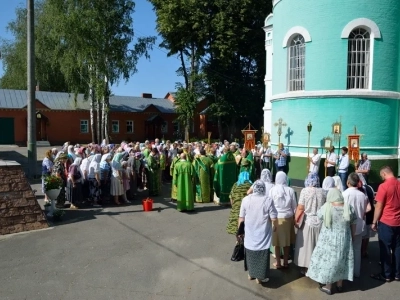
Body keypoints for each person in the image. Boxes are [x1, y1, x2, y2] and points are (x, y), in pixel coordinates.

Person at [306, 188, 357, 295]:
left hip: (328, 239)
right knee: (342, 260)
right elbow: (353, 223)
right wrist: (352, 236)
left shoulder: (327, 207)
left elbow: (319, 217)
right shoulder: (349, 208)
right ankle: (340, 284)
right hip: (344, 238)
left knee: (329, 261)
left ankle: (328, 286)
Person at [238, 180, 278, 284]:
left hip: (250, 233)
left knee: (251, 252)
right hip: (263, 233)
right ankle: (260, 277)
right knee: (262, 254)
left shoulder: (246, 200)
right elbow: (274, 217)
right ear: (264, 189)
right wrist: (275, 227)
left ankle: (251, 274)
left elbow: (241, 218)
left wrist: (239, 232)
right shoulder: (268, 200)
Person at [371, 166, 400, 282]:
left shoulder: (384, 186)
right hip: (398, 222)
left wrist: (374, 222)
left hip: (386, 221)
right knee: (398, 248)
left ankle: (386, 274)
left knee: (385, 248)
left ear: (384, 174)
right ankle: (397, 273)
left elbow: (378, 206)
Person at [294, 172, 326, 274]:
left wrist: (295, 220)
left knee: (307, 247)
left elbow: (300, 207)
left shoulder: (304, 191)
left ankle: (306, 268)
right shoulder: (323, 191)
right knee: (317, 246)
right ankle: (316, 267)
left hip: (307, 221)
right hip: (320, 222)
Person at [342, 172, 370, 278]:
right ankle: (356, 272)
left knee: (346, 250)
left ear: (348, 182)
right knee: (357, 250)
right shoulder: (362, 195)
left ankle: (346, 273)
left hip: (347, 226)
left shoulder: (344, 194)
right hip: (359, 226)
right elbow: (365, 210)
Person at [269, 171, 297, 268]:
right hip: (288, 218)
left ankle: (278, 263)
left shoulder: (272, 190)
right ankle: (285, 262)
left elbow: (269, 205)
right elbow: (294, 207)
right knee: (287, 242)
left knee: (276, 243)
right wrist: (294, 219)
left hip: (276, 219)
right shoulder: (290, 190)